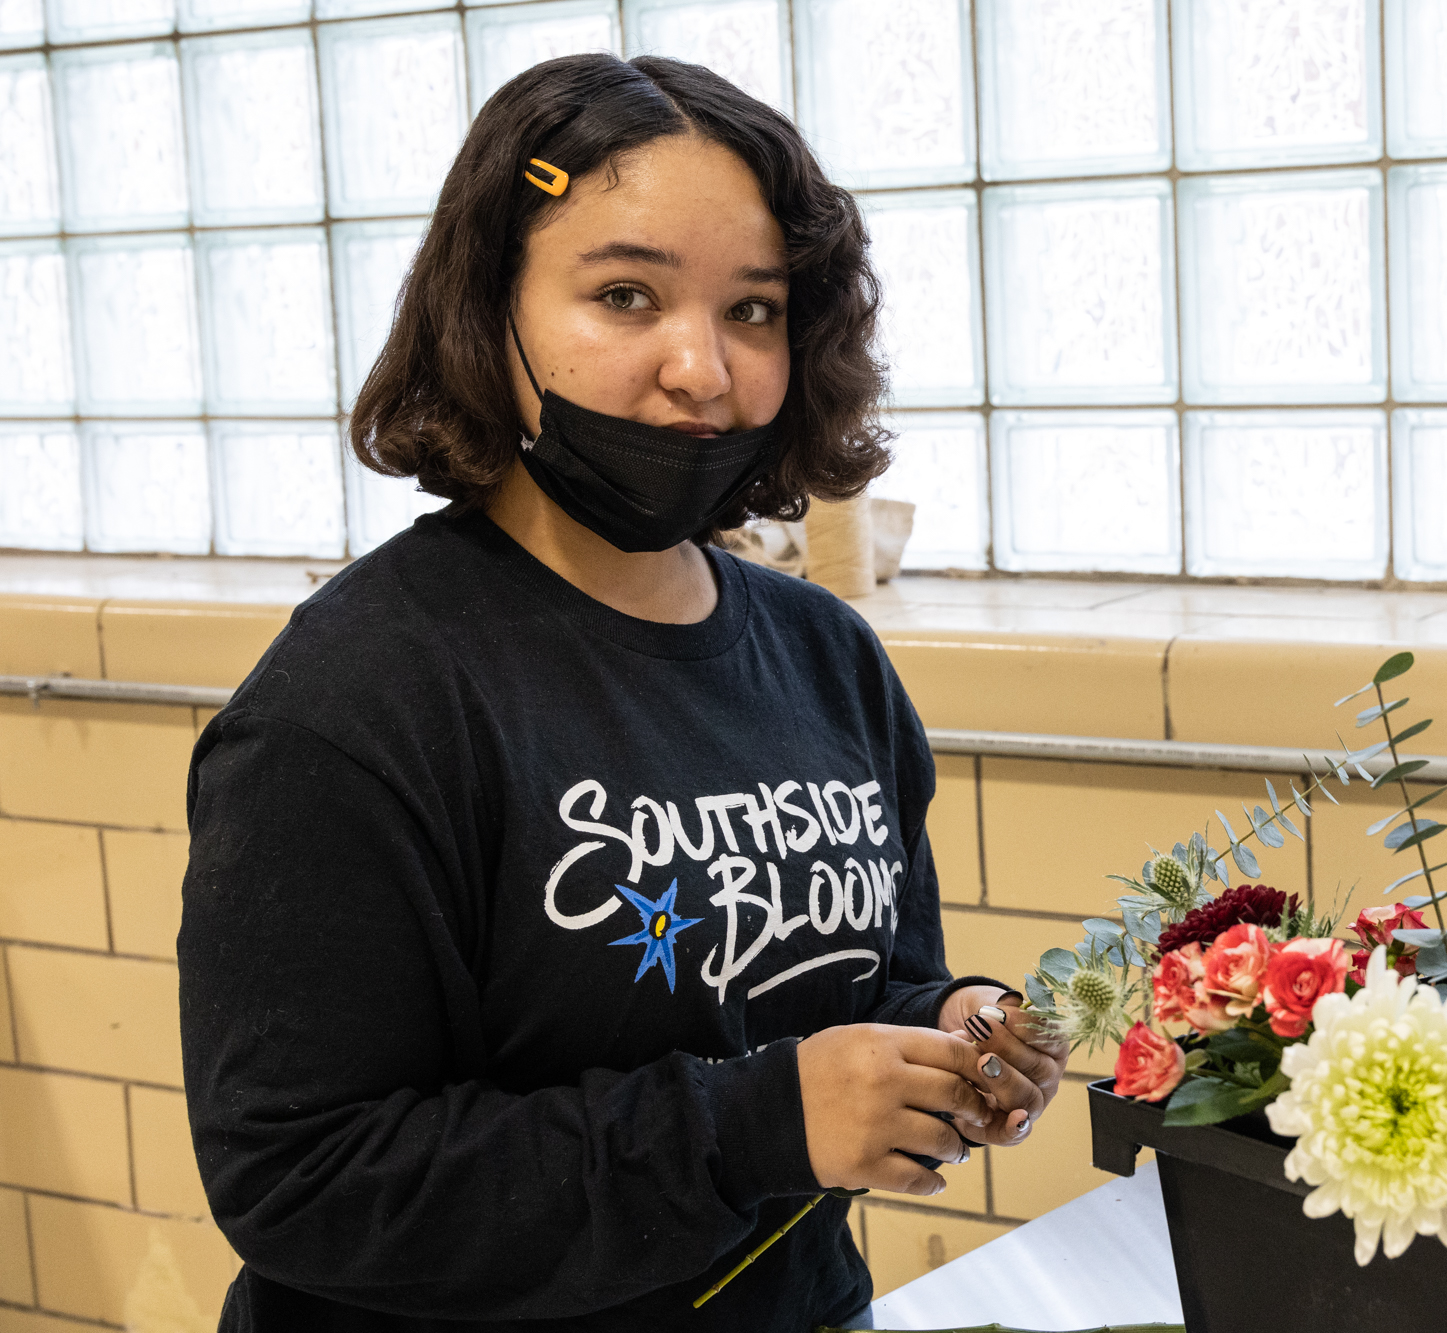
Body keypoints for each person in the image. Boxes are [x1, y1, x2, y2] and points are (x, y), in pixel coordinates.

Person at [178, 53, 1067, 1332]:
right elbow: (303, 1180)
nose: (701, 369)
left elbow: (858, 982)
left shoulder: (825, 655)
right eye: (624, 294)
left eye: (753, 310)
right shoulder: (356, 703)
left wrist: (952, 1029)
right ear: (488, 314)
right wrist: (762, 1121)